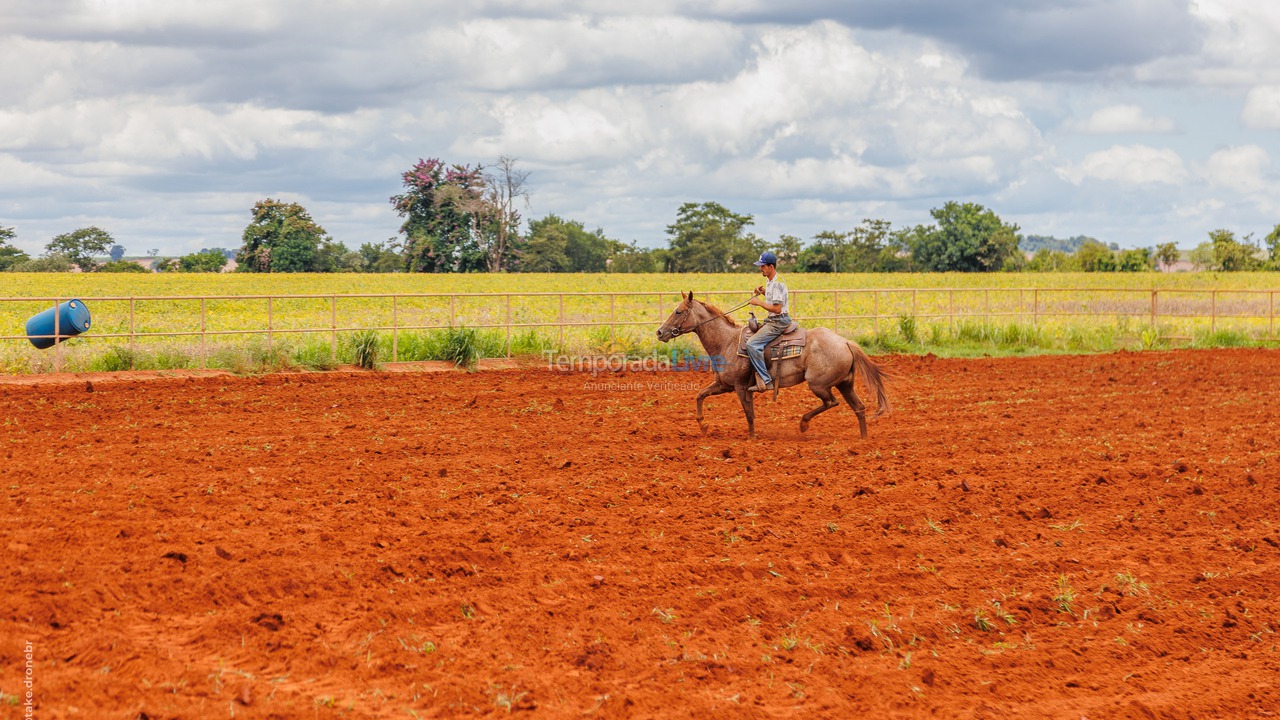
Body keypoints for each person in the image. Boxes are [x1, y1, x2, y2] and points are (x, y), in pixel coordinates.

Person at [745, 251, 791, 392]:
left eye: (763, 266)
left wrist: (758, 303)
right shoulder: (771, 281)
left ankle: (766, 380)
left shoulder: (777, 284)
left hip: (778, 321)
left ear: (771, 266)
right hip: (773, 319)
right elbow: (774, 298)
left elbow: (777, 309)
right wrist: (763, 292)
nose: (761, 269)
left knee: (752, 344)